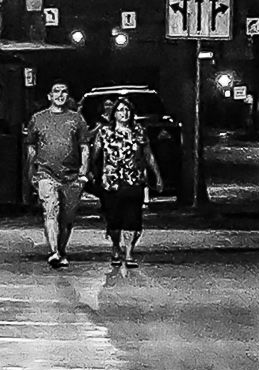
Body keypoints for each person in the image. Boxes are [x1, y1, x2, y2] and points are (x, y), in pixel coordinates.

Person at [89, 94, 161, 273]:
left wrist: (157, 175)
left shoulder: (138, 131)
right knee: (114, 220)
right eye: (120, 110)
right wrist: (89, 171)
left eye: (127, 110)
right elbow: (95, 155)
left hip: (134, 179)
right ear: (113, 113)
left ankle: (129, 253)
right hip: (112, 181)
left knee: (133, 219)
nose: (124, 113)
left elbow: (148, 155)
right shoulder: (104, 132)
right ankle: (115, 246)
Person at [24, 79, 88, 268]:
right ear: (49, 96)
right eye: (56, 91)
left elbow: (84, 146)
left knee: (67, 218)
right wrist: (31, 170)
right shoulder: (38, 118)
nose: (60, 95)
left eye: (64, 91)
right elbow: (31, 146)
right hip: (45, 173)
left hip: (72, 175)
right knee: (50, 210)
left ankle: (61, 249)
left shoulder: (76, 119)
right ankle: (53, 251)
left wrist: (84, 170)